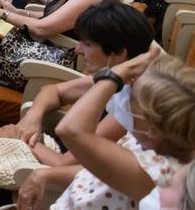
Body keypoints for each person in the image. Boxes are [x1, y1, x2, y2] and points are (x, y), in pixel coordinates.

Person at [0, 1, 155, 209]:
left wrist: (20, 136)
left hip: (61, 179)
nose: (78, 49)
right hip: (50, 152)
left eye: (88, 44)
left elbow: (69, 162)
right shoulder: (114, 76)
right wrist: (34, 117)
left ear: (119, 55)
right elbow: (52, 91)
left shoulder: (131, 105)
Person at [53, 53, 195, 209]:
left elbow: (70, 130)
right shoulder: (162, 146)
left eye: (131, 102)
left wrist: (117, 74)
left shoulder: (160, 172)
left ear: (152, 129)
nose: (125, 104)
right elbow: (93, 173)